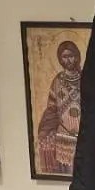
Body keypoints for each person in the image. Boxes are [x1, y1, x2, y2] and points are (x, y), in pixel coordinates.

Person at [36, 38, 83, 175]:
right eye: (64, 57)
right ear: (60, 59)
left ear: (77, 56)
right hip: (64, 137)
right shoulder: (57, 81)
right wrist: (45, 130)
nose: (68, 60)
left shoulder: (86, 79)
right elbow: (52, 108)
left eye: (71, 56)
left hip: (85, 137)